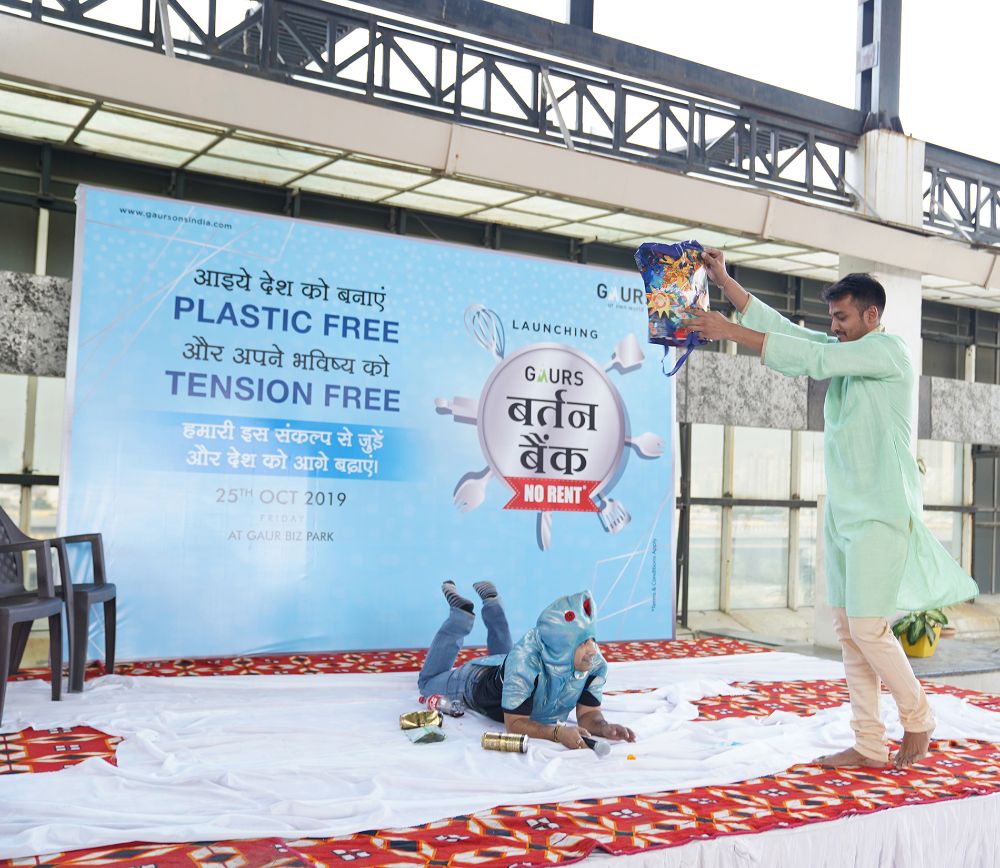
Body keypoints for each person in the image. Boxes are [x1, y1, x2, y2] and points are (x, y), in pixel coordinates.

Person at [684, 250, 978, 769]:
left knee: (867, 627)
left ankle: (919, 717)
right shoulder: (846, 349)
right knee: (848, 631)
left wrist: (727, 332)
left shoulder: (888, 352)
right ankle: (868, 744)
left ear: (871, 315)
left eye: (842, 317)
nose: (835, 327)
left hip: (881, 513)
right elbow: (791, 336)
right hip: (844, 513)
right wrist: (726, 283)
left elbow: (814, 360)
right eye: (833, 318)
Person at [418, 581, 636, 749]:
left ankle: (493, 604)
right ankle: (460, 618)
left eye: (592, 639)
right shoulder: (524, 663)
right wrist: (556, 734)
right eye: (582, 643)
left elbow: (588, 713)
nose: (592, 650)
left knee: (509, 657)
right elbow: (515, 724)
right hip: (474, 681)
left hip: (508, 668)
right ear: (562, 647)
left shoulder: (594, 664)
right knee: (427, 683)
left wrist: (603, 727)